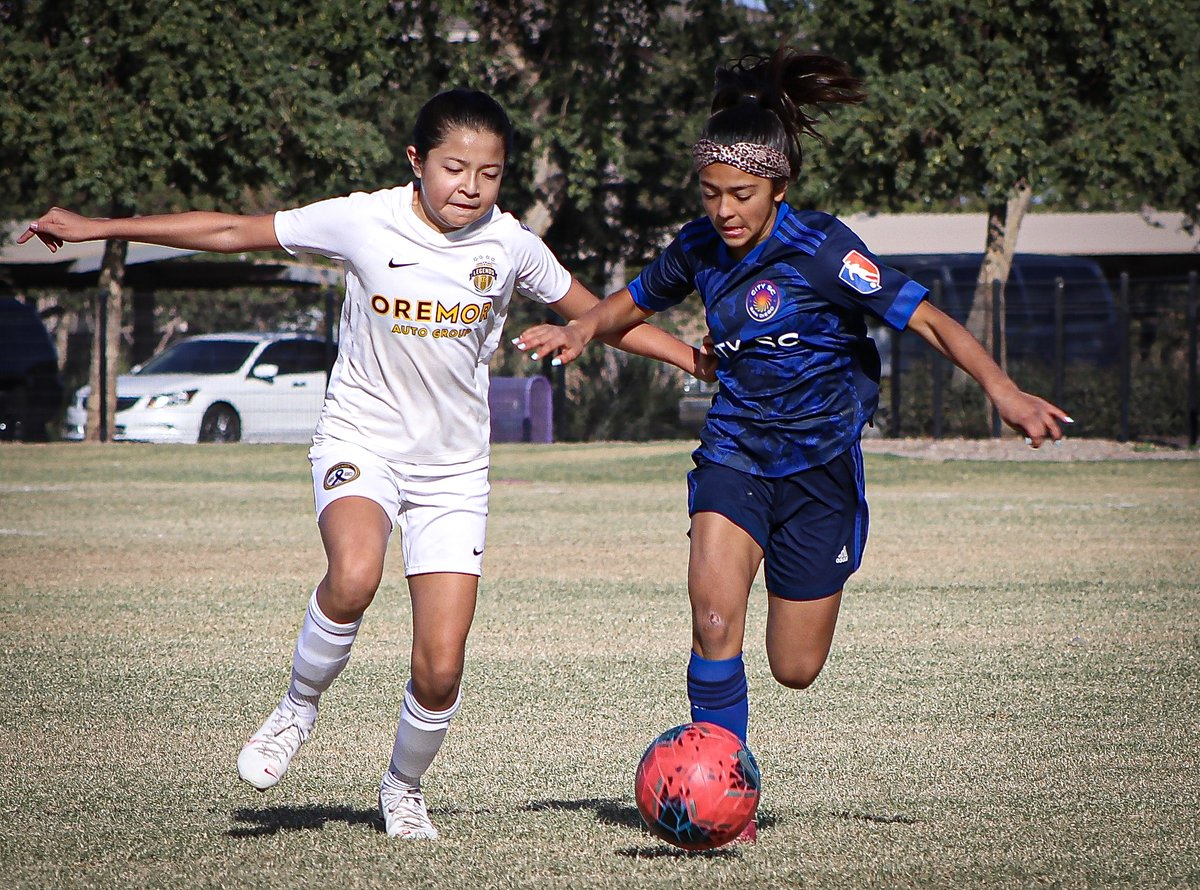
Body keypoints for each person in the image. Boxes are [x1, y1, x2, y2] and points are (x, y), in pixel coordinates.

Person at [21, 88, 712, 840]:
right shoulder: (363, 220)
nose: (471, 187)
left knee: (440, 668)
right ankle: (296, 710)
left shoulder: (509, 244)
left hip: (452, 473)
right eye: (454, 169)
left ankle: (402, 788)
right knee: (354, 575)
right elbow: (231, 229)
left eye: (489, 174)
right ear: (416, 161)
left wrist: (692, 358)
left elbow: (598, 315)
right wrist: (102, 228)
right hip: (362, 442)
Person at [514, 48, 1072, 843]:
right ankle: (722, 805)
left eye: (740, 194)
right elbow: (628, 303)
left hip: (820, 471)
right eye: (711, 193)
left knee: (795, 668)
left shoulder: (823, 250)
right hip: (735, 453)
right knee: (714, 619)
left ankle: (733, 764)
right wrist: (581, 329)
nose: (724, 210)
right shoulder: (699, 248)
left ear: (779, 187)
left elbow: (926, 318)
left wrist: (1002, 390)